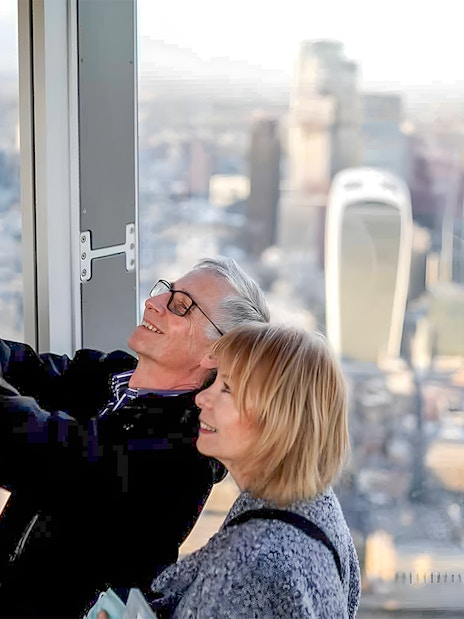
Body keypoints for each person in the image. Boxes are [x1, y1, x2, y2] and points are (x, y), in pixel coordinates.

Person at [0, 257, 270, 619]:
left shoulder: (183, 450)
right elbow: (22, 366)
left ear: (215, 353)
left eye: (180, 306)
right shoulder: (108, 374)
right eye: (166, 292)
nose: (152, 302)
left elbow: (38, 450)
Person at [145, 323, 361, 618]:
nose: (201, 398)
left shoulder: (249, 558)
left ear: (277, 419)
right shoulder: (317, 506)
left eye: (227, 389)